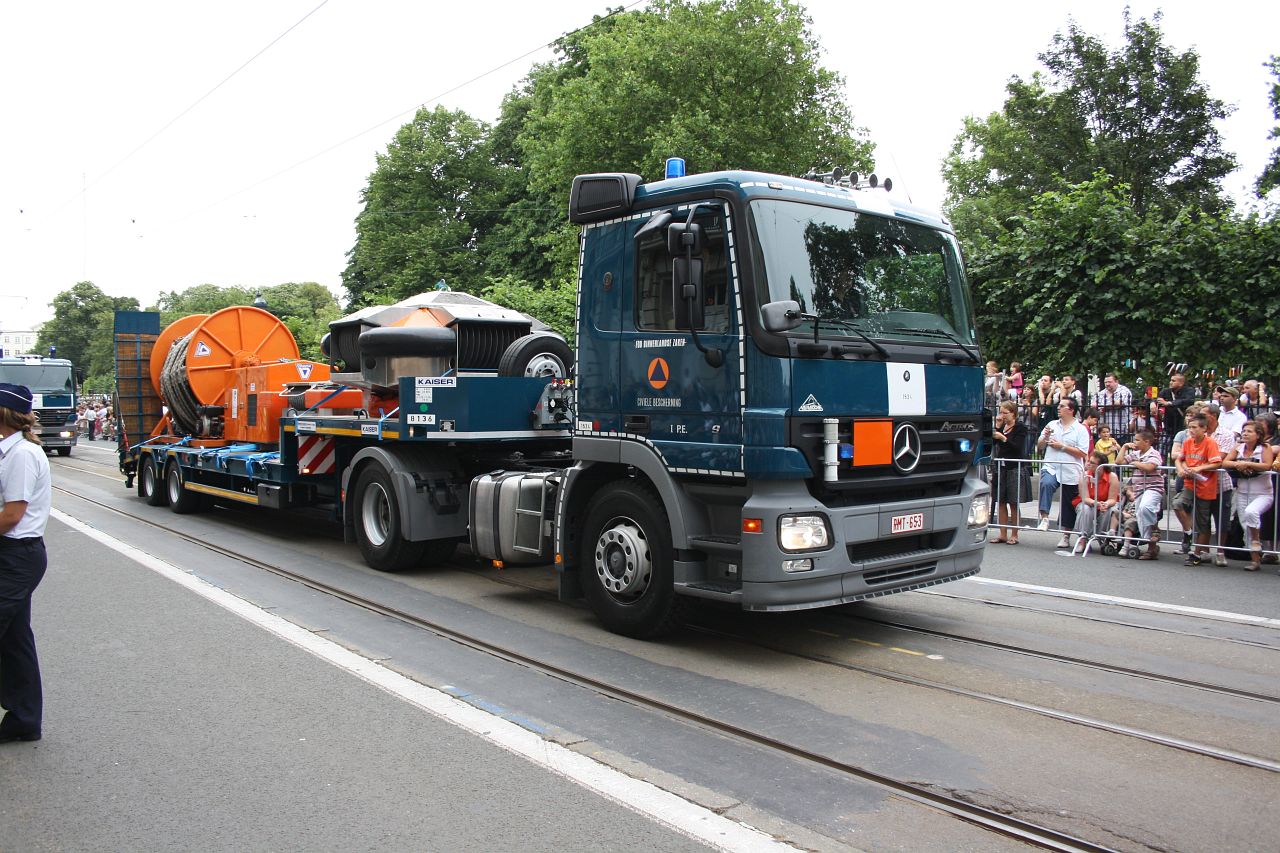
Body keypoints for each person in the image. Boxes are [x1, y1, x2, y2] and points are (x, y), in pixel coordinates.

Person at [0, 383, 51, 744]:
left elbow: (12, 515)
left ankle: (24, 716)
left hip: (17, 556)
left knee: (14, 639)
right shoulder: (10, 451)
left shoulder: (20, 456)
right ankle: (24, 719)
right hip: (15, 555)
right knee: (15, 640)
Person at [1036, 398, 1091, 548]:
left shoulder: (1080, 429)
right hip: (1052, 465)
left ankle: (1066, 535)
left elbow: (1082, 453)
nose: (1058, 408)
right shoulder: (1052, 424)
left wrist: (1062, 446)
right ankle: (1045, 518)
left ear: (1071, 410)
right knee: (1046, 483)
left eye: (1062, 406)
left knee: (1068, 502)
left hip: (1070, 469)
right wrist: (1045, 438)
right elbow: (1039, 446)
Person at [1222, 421, 1275, 571]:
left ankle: (1258, 543)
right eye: (1244, 431)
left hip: (1263, 493)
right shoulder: (1238, 447)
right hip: (1243, 492)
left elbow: (1267, 465)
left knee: (1251, 512)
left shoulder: (1264, 448)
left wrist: (1247, 464)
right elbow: (1226, 462)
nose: (1245, 433)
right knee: (1246, 525)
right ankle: (1255, 560)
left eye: (1249, 431)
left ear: (1258, 435)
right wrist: (1238, 464)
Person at [1172, 413, 1222, 567]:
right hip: (1189, 483)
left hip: (1205, 486)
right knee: (1178, 503)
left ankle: (1197, 553)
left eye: (1194, 427)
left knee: (1203, 522)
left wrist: (1200, 468)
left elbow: (1217, 463)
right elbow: (1179, 459)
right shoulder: (1187, 442)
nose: (1191, 430)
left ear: (1204, 429)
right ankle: (1188, 532)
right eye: (1190, 427)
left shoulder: (1210, 443)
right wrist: (1180, 469)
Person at [1120, 428, 1166, 560]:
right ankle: (1151, 544)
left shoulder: (1154, 453)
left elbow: (1150, 467)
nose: (1135, 442)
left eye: (1137, 440)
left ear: (1147, 442)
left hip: (1153, 488)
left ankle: (1154, 532)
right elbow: (1119, 462)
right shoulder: (1135, 453)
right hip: (1139, 489)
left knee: (1145, 507)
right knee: (1140, 513)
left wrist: (1135, 463)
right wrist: (1124, 447)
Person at [990, 400, 1030, 544]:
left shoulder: (1020, 428)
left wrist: (1004, 438)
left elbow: (1017, 447)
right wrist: (997, 428)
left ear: (1013, 413)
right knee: (1000, 501)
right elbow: (992, 443)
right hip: (1001, 466)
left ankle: (1014, 534)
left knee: (1013, 502)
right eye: (1001, 412)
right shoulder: (1002, 427)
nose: (1002, 415)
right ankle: (1002, 533)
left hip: (1014, 467)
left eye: (1005, 413)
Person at [1068, 451, 1121, 552]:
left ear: (1100, 467)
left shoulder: (1112, 476)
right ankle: (1083, 539)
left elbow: (1113, 499)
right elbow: (1084, 498)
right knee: (1086, 509)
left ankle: (1103, 538)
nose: (1087, 464)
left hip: (1105, 502)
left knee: (1110, 509)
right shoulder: (1085, 475)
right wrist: (1095, 503)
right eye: (1088, 461)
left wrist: (1106, 504)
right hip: (1089, 502)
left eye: (1091, 462)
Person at [1205, 403, 1237, 566]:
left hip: (1221, 484)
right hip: (1202, 484)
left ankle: (1220, 551)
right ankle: (1202, 550)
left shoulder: (1226, 434)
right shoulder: (1198, 432)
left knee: (1222, 521)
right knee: (1203, 519)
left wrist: (1202, 460)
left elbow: (1220, 458)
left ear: (1213, 416)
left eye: (1204, 414)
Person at [1157, 373, 1196, 455]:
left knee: (1179, 453)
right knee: (1161, 452)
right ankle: (1161, 468)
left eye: (1173, 381)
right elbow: (1156, 399)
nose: (1170, 382)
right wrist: (1152, 403)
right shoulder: (1166, 391)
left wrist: (1170, 403)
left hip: (1182, 426)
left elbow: (1188, 401)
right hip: (1168, 427)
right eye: (1171, 380)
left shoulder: (1189, 391)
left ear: (1181, 383)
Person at [1094, 372, 1133, 444]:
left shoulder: (1124, 391)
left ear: (1116, 382)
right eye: (1105, 382)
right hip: (1104, 429)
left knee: (1119, 451)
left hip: (1120, 429)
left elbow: (1119, 404)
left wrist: (1103, 407)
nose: (1107, 384)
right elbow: (1094, 406)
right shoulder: (1101, 393)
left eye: (1109, 382)